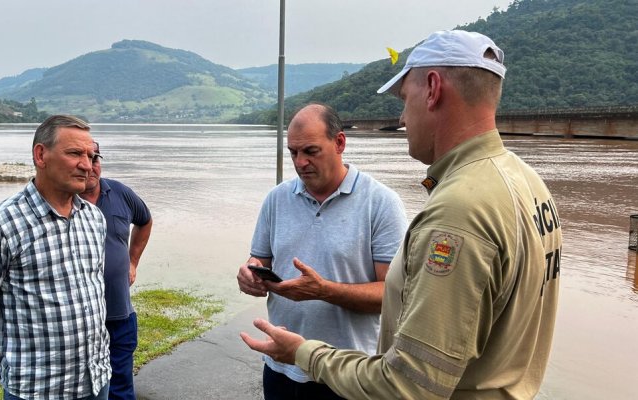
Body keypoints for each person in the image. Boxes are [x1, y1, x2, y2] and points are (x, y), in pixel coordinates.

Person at [241, 30, 563, 399]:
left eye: (405, 98)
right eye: (293, 152)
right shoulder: (526, 182)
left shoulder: (458, 210)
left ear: (433, 88)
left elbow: (409, 384)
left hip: (347, 376)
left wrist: (305, 352)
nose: (402, 116)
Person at [236, 103, 408, 399]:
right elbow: (260, 259)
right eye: (293, 152)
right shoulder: (276, 199)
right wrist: (249, 274)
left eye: (310, 151)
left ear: (339, 143)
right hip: (281, 365)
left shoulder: (381, 203)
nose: (300, 162)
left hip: (349, 372)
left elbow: (393, 295)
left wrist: (323, 291)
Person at [0, 115, 111, 400]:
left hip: (96, 382)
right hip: (36, 390)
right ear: (40, 155)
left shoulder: (94, 218)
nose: (87, 165)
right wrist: (14, 363)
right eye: (75, 153)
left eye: (90, 155)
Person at [80, 141, 153, 400]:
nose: (89, 166)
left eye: (95, 158)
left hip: (120, 313)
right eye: (81, 157)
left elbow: (145, 221)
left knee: (120, 385)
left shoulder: (120, 193)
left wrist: (133, 261)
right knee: (85, 388)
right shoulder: (65, 201)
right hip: (82, 321)